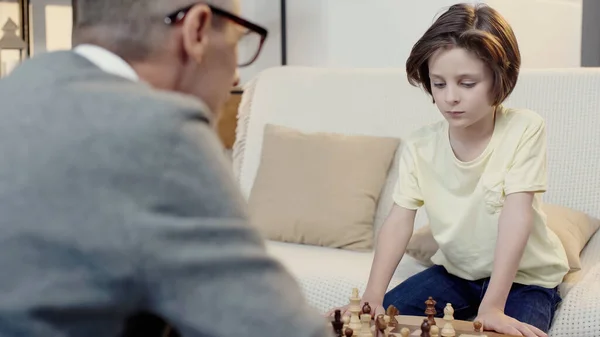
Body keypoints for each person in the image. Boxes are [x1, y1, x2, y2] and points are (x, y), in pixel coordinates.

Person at [0, 1, 332, 337]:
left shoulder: (17, 89)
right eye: (238, 40)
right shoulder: (160, 131)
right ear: (197, 30)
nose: (235, 74)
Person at [326, 3, 569, 337]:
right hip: (454, 275)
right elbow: (399, 221)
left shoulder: (524, 128)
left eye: (467, 83)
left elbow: (517, 214)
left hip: (525, 281)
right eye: (439, 84)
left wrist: (493, 307)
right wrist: (372, 295)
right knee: (378, 327)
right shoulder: (420, 145)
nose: (450, 98)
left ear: (501, 78)